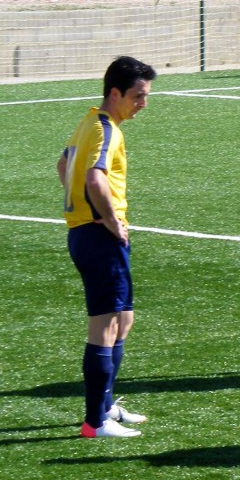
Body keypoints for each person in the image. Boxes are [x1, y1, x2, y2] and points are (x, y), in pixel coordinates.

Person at [58, 56, 157, 438]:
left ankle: (105, 405)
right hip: (99, 237)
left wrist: (84, 207)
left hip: (90, 233)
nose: (143, 104)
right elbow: (94, 179)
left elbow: (63, 164)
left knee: (123, 319)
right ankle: (94, 423)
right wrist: (110, 220)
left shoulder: (91, 123)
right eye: (137, 96)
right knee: (104, 326)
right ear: (115, 93)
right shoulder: (104, 130)